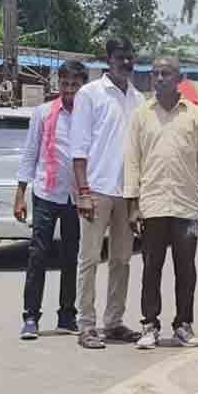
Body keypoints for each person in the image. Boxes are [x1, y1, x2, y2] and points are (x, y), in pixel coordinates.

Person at [123, 57, 198, 350]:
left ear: (179, 78)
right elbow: (132, 161)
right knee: (151, 268)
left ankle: (183, 325)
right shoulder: (141, 115)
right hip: (152, 204)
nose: (159, 78)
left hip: (186, 205)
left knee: (186, 269)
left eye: (165, 73)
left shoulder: (195, 115)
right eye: (155, 74)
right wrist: (133, 205)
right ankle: (149, 326)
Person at [70, 37, 145, 349]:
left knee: (121, 260)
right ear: (108, 60)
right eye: (119, 57)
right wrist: (83, 192)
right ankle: (86, 326)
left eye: (129, 57)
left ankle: (113, 322)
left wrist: (138, 198)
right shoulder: (90, 94)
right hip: (97, 190)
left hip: (127, 193)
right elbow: (78, 148)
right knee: (89, 259)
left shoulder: (139, 99)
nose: (125, 62)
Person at [15, 60, 87, 340]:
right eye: (65, 84)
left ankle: (67, 316)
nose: (69, 89)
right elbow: (30, 152)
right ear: (59, 84)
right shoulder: (43, 113)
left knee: (71, 256)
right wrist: (20, 194)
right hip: (46, 191)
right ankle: (31, 317)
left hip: (75, 196)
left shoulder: (88, 114)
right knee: (38, 254)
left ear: (82, 86)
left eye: (75, 85)